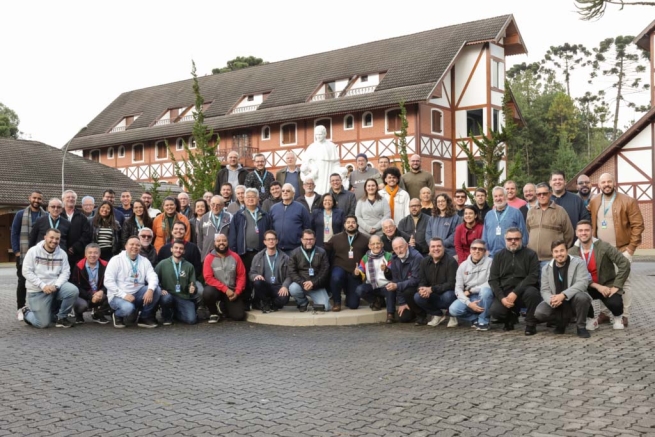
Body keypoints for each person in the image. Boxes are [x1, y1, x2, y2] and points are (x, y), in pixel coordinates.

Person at [589, 172, 644, 327]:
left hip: (621, 250)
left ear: (614, 183)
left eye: (609, 181)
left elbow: (638, 225)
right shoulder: (594, 201)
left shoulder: (628, 201)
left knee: (624, 282)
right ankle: (605, 314)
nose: (606, 184)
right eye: (603, 182)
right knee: (603, 281)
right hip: (601, 252)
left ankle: (624, 315)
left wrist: (631, 249)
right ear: (599, 185)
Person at [569, 220, 630, 331]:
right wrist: (597, 287)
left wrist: (616, 285)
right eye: (580, 230)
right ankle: (591, 319)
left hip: (607, 284)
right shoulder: (571, 252)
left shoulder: (604, 246)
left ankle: (618, 317)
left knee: (615, 302)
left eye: (587, 230)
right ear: (576, 233)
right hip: (586, 287)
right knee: (579, 297)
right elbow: (574, 276)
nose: (584, 233)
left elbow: (624, 263)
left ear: (592, 231)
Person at [19, 229, 79, 328]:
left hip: (54, 288)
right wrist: (43, 285)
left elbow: (66, 272)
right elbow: (26, 271)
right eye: (51, 237)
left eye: (57, 239)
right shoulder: (33, 251)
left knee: (72, 290)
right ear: (45, 237)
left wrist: (56, 285)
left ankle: (61, 317)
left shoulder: (62, 253)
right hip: (37, 290)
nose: (54, 241)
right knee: (42, 324)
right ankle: (27, 312)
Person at [488, 227, 541, 335]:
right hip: (505, 291)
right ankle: (510, 317)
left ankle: (531, 324)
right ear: (505, 240)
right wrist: (502, 298)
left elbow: (533, 276)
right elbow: (493, 279)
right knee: (495, 311)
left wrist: (515, 292)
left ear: (521, 239)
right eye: (510, 239)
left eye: (516, 239)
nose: (513, 241)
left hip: (524, 290)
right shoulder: (498, 256)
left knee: (533, 293)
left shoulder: (531, 254)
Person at [535, 240, 592, 338]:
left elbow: (582, 283)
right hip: (557, 301)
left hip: (574, 299)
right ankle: (560, 322)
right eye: (556, 251)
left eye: (562, 251)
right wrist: (551, 300)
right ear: (552, 253)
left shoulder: (579, 263)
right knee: (540, 313)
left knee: (583, 297)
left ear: (567, 251)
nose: (559, 254)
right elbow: (544, 290)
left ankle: (581, 327)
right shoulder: (546, 268)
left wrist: (563, 295)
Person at [229, 188, 272, 309]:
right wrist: (234, 252)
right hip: (244, 253)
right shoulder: (238, 215)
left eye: (253, 196)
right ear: (244, 199)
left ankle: (258, 301)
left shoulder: (265, 215)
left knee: (260, 277)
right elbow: (233, 235)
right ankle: (246, 300)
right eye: (248, 197)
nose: (251, 199)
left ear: (258, 199)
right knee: (245, 278)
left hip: (260, 253)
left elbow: (270, 232)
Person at [105, 236, 161, 328]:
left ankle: (144, 318)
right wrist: (124, 295)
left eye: (138, 245)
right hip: (118, 296)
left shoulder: (144, 261)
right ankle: (117, 315)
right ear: (126, 246)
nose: (135, 247)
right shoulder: (116, 260)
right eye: (132, 244)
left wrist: (150, 290)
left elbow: (152, 276)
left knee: (156, 290)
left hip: (137, 294)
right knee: (128, 308)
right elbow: (108, 282)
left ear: (140, 247)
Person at [448, 239, 494, 331]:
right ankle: (474, 319)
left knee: (485, 291)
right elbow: (458, 288)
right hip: (470, 297)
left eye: (480, 249)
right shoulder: (463, 266)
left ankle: (483, 321)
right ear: (470, 250)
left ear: (485, 252)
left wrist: (471, 290)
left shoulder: (491, 262)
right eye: (474, 248)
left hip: (485, 295)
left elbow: (490, 282)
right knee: (453, 310)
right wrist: (469, 303)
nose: (477, 251)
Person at [325, 215, 369, 311]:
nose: (350, 224)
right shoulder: (336, 238)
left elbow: (372, 253)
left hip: (355, 272)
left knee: (353, 305)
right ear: (344, 225)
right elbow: (325, 249)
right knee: (336, 277)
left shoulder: (365, 239)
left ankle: (348, 294)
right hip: (340, 268)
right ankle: (337, 302)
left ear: (357, 225)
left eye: (353, 222)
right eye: (348, 222)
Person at [11, 190, 45, 310]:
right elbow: (14, 233)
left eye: (39, 199)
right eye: (34, 198)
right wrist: (16, 251)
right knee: (22, 282)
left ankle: (38, 307)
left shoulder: (45, 215)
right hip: (23, 254)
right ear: (29, 198)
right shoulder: (20, 214)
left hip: (40, 255)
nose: (36, 200)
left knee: (40, 281)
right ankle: (21, 308)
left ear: (42, 200)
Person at [526, 183, 574, 268]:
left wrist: (559, 253)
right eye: (538, 194)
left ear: (550, 193)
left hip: (552, 260)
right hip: (532, 259)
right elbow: (528, 231)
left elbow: (569, 234)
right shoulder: (531, 212)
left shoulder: (560, 211)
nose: (541, 196)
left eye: (544, 193)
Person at [414, 238, 459, 327]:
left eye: (439, 246)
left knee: (448, 296)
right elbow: (421, 280)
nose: (436, 249)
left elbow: (452, 284)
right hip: (433, 295)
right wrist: (422, 289)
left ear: (443, 248)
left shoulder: (451, 262)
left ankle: (452, 315)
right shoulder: (424, 262)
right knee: (418, 297)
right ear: (429, 249)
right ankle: (438, 314)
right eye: (433, 246)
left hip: (448, 294)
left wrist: (432, 289)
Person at [203, 233, 247, 322]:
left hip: (232, 291)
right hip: (216, 290)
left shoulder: (235, 256)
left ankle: (223, 306)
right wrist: (226, 290)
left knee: (239, 316)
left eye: (224, 241)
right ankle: (213, 312)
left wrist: (237, 292)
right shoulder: (209, 258)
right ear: (214, 243)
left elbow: (241, 275)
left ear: (228, 243)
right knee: (207, 293)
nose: (221, 243)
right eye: (218, 241)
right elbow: (208, 278)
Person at [287, 230, 331, 311]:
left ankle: (317, 302)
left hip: (317, 285)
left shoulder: (322, 252)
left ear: (315, 240)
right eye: (306, 239)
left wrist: (313, 283)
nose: (308, 241)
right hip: (301, 284)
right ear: (301, 240)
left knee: (326, 307)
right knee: (293, 288)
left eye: (311, 239)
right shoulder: (294, 253)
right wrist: (303, 283)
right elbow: (292, 272)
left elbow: (325, 270)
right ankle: (303, 303)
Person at [156, 239, 198, 325]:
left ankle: (175, 313)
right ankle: (167, 316)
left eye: (181, 248)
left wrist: (193, 288)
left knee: (191, 320)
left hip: (183, 296)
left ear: (184, 251)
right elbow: (153, 280)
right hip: (168, 294)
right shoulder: (162, 264)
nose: (178, 250)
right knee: (166, 299)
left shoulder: (189, 266)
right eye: (176, 248)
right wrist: (160, 289)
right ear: (171, 249)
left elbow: (193, 283)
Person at [355, 235, 395, 322]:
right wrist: (357, 272)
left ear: (382, 244)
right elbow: (361, 269)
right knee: (359, 289)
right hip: (372, 286)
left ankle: (390, 314)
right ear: (369, 246)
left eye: (378, 243)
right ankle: (376, 301)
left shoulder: (388, 256)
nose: (375, 246)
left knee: (391, 289)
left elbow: (393, 273)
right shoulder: (365, 257)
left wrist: (386, 270)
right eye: (373, 244)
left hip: (385, 286)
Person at [250, 230, 292, 313]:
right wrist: (255, 276)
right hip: (265, 286)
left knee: (284, 298)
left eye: (273, 239)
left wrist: (285, 286)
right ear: (264, 242)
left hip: (278, 286)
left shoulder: (285, 257)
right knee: (257, 282)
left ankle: (268, 304)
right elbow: (251, 273)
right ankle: (267, 303)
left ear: (277, 241)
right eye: (268, 239)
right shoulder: (258, 257)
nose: (271, 241)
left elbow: (290, 275)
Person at [70, 243, 110, 324]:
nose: (93, 255)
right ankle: (79, 315)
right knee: (82, 306)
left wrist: (102, 291)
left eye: (95, 252)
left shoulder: (106, 265)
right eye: (90, 252)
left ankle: (98, 314)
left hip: (99, 293)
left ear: (99, 254)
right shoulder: (78, 266)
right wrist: (90, 296)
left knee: (113, 298)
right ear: (85, 254)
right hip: (84, 295)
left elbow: (110, 282)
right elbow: (75, 285)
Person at [482, 187, 528, 257]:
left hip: (512, 255)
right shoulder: (489, 215)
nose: (498, 198)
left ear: (506, 196)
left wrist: (520, 252)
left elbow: (524, 234)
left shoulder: (516, 212)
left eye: (501, 195)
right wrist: (485, 250)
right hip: (492, 256)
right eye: (495, 196)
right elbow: (484, 235)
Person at [387, 237, 423, 324]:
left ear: (407, 246)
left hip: (417, 289)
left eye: (401, 247)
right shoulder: (394, 259)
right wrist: (402, 302)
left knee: (408, 291)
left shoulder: (417, 257)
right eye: (396, 248)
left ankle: (421, 315)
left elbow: (415, 280)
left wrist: (397, 286)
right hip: (404, 291)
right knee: (404, 318)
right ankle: (390, 314)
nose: (399, 250)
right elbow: (396, 280)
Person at [157, 221, 203, 287]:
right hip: (168, 281)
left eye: (181, 229)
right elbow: (159, 268)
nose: (178, 231)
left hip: (189, 280)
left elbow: (198, 267)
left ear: (185, 232)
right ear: (172, 231)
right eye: (176, 229)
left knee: (200, 291)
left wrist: (188, 279)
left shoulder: (193, 248)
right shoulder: (164, 249)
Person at [270, 184, 311, 254]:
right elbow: (270, 227)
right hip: (277, 248)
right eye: (283, 191)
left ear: (293, 194)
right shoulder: (274, 208)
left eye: (288, 191)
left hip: (295, 248)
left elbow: (307, 227)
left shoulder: (301, 208)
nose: (285, 192)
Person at [300, 125, 341, 195]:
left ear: (325, 134)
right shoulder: (311, 147)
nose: (318, 136)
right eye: (316, 135)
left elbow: (336, 163)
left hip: (328, 171)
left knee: (328, 190)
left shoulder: (331, 146)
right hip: (317, 175)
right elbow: (305, 163)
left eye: (320, 134)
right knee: (317, 190)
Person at [62, 189, 92, 267]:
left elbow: (86, 235)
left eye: (73, 197)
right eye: (68, 197)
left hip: (77, 255)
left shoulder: (82, 217)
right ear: (63, 199)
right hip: (60, 253)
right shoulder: (58, 215)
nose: (71, 199)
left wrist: (74, 248)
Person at [425, 193, 461, 258]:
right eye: (438, 202)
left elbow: (455, 234)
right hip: (434, 252)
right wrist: (433, 245)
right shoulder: (432, 218)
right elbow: (428, 233)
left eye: (443, 201)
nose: (440, 203)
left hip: (450, 252)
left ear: (448, 202)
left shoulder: (455, 217)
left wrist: (441, 244)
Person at [198, 196, 232, 260]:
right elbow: (199, 238)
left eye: (218, 205)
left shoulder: (229, 217)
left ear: (223, 206)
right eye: (213, 204)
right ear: (210, 204)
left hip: (225, 255)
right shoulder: (204, 218)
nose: (215, 207)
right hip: (207, 254)